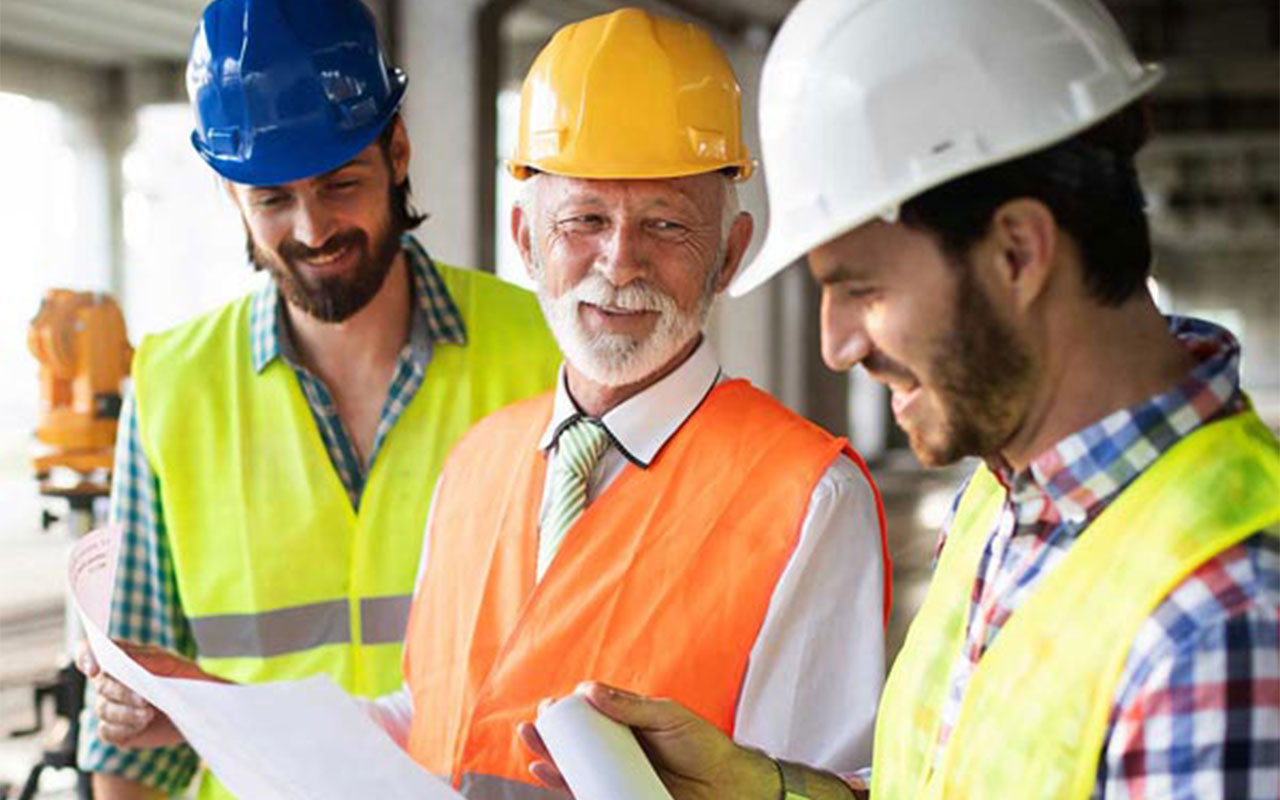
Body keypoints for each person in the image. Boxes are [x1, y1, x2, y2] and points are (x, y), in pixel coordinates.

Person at [84, 8, 891, 799]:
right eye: (584, 219)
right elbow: (430, 730)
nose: (619, 261)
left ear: (730, 255)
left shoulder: (806, 498)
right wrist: (214, 712)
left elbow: (812, 786)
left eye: (667, 223)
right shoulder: (478, 461)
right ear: (527, 240)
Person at [520, 0, 1280, 798]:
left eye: (861, 288)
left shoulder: (1221, 619)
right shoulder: (1000, 502)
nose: (838, 345)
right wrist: (757, 789)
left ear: (1017, 253)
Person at [77, 0, 560, 798]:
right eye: (272, 199)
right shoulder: (171, 386)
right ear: (230, 193)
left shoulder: (542, 354)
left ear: (396, 150)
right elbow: (134, 744)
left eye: (341, 183)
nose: (312, 229)